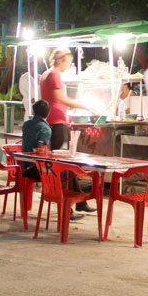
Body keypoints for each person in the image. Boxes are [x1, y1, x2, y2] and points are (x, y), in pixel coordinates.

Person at [39, 47, 95, 213]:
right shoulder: (54, 75)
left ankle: (79, 200)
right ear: (60, 60)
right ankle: (66, 207)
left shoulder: (45, 74)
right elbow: (60, 99)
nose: (69, 66)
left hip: (52, 120)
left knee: (67, 162)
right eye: (69, 62)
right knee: (62, 165)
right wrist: (83, 105)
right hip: (57, 122)